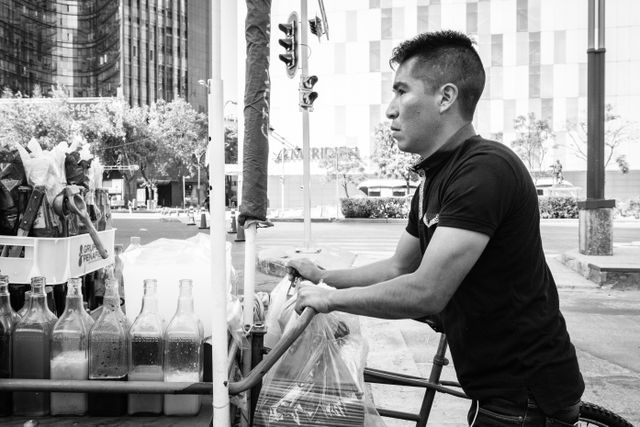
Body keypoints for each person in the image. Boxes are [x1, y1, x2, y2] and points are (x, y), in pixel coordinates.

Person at [288, 30, 584, 426]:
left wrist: (329, 301)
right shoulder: (433, 179)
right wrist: (324, 278)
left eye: (401, 91)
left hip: (524, 398)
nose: (390, 110)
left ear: (445, 98)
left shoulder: (484, 169)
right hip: (494, 389)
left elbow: (425, 291)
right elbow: (398, 267)